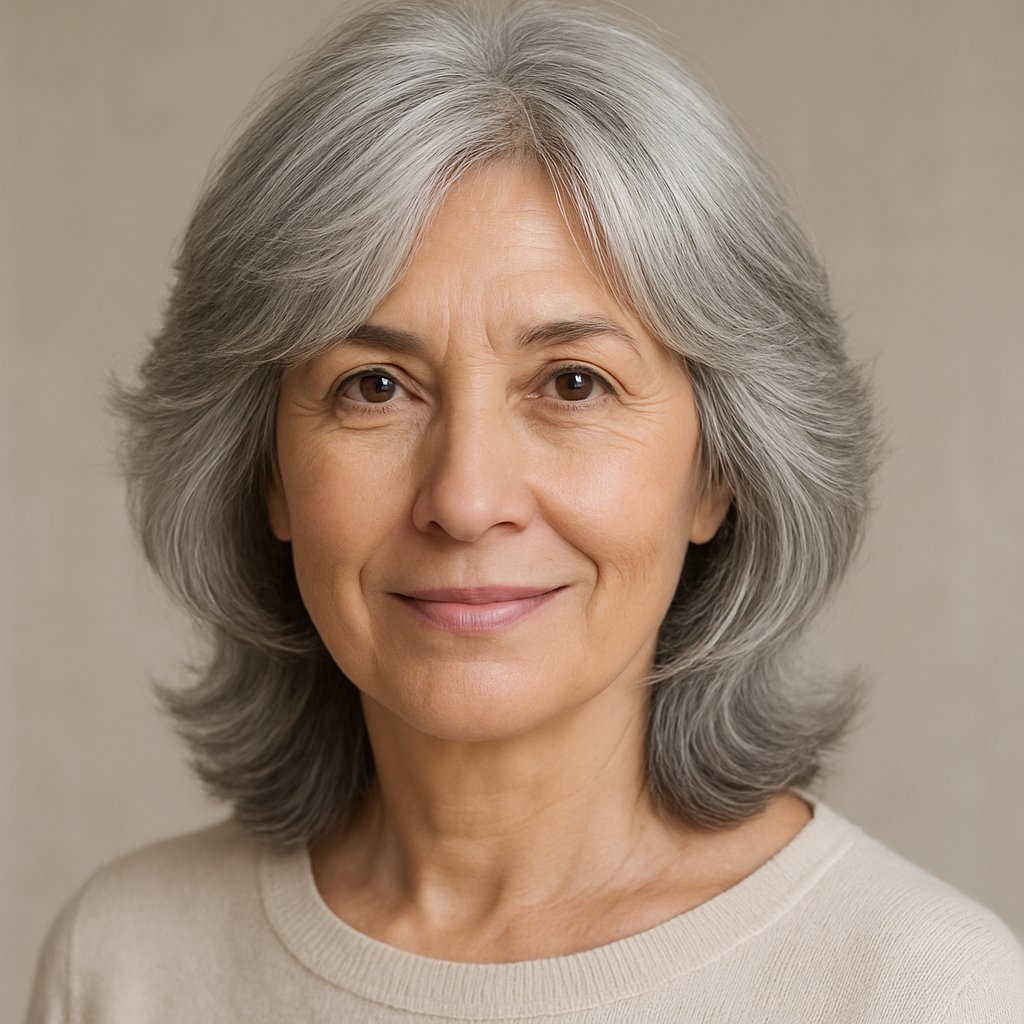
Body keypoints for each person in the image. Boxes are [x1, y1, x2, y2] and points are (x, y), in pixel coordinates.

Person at [26, 0, 1024, 1020]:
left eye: (573, 383)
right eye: (374, 386)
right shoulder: (126, 964)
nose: (463, 499)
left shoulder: (916, 987)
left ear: (718, 468)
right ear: (268, 472)